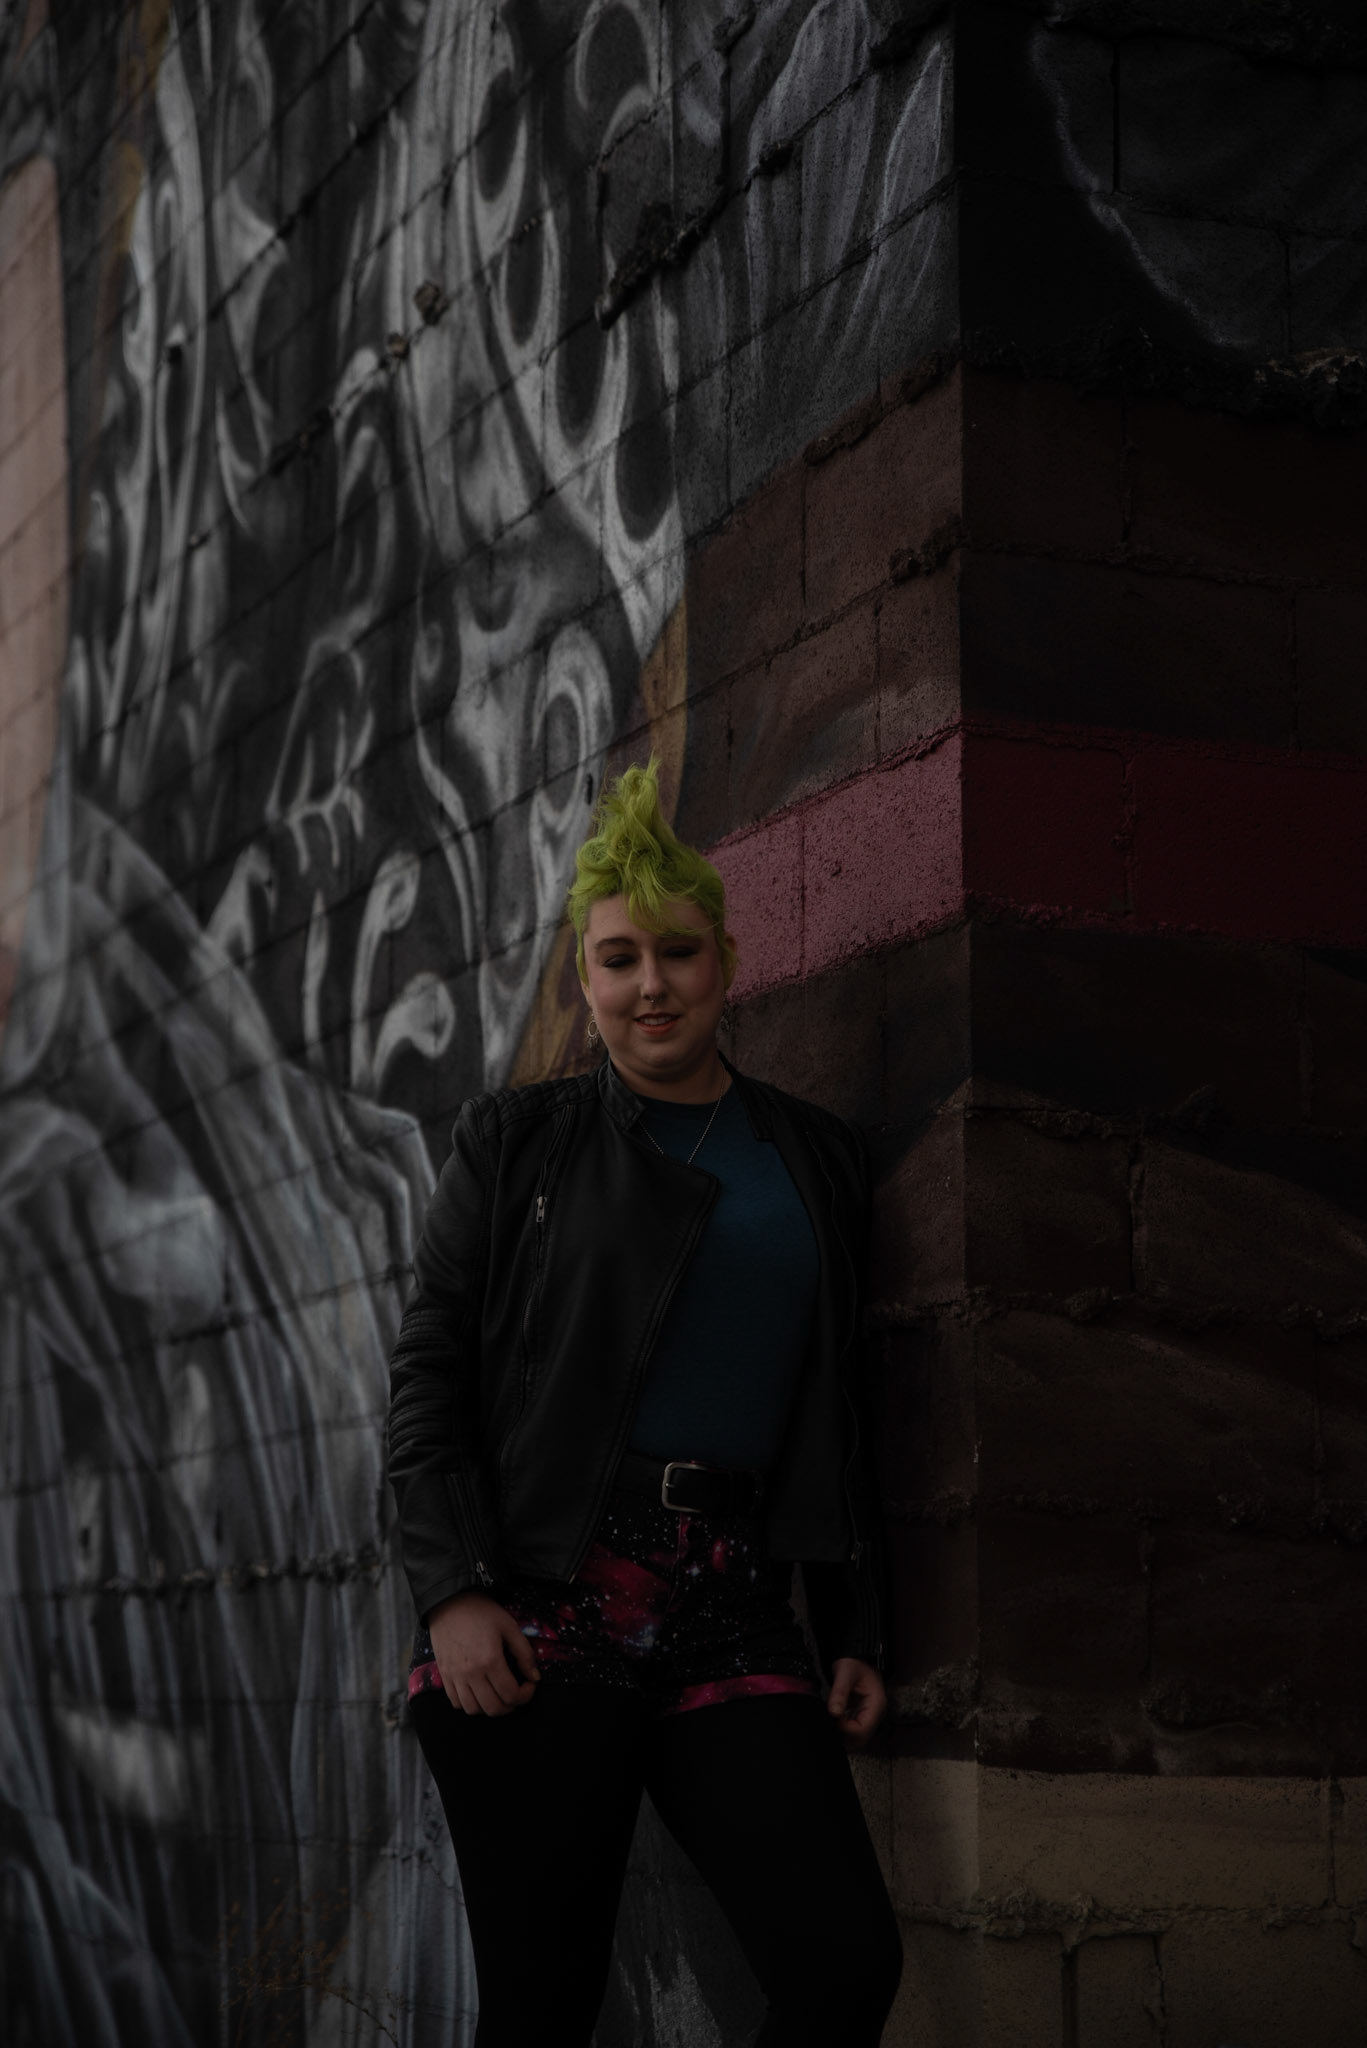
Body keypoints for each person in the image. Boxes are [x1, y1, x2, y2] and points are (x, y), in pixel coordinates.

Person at [386, 761, 903, 2046]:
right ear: (583, 978)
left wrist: (850, 1618)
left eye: (677, 951)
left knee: (844, 1964)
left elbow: (839, 1401)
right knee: (544, 2004)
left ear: (727, 960)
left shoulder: (813, 1155)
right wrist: (453, 1588)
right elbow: (429, 1372)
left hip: (734, 1603)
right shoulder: (513, 1143)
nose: (650, 983)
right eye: (617, 958)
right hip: (540, 1601)